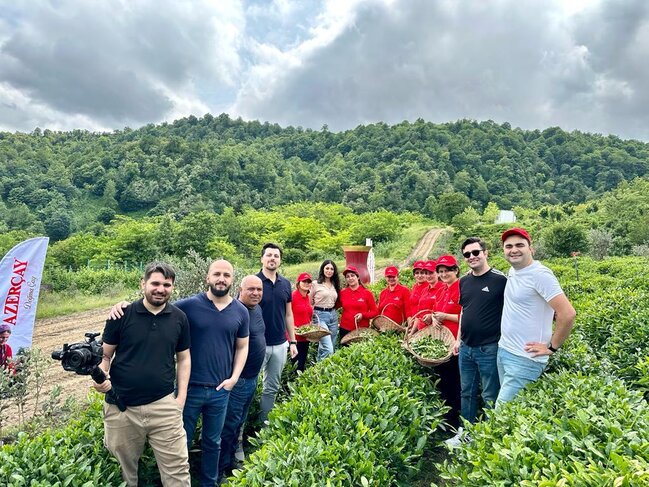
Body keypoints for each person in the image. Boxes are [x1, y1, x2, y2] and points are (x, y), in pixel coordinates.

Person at [107, 260, 250, 487]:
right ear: (208, 277)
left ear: (233, 279)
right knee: (181, 444)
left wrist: (233, 379)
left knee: (212, 442)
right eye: (216, 274)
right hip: (190, 389)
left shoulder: (239, 310)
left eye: (226, 275)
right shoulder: (188, 306)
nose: (221, 279)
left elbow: (242, 346)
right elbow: (155, 307)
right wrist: (123, 305)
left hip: (219, 390)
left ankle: (209, 483)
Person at [94, 262, 192, 487]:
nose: (160, 289)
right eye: (155, 283)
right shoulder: (121, 315)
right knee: (124, 473)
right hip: (121, 408)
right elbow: (106, 355)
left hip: (164, 407)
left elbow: (184, 358)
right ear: (143, 284)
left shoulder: (179, 318)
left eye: (166, 285)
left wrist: (180, 398)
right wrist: (101, 376)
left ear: (172, 287)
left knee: (178, 471)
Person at [496, 228, 576, 405]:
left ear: (531, 249)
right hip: (505, 351)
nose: (513, 250)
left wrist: (552, 347)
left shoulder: (540, 274)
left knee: (501, 412)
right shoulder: (513, 271)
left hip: (525, 359)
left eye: (519, 245)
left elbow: (568, 313)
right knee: (510, 413)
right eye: (509, 246)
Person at [446, 238, 507, 447]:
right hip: (466, 347)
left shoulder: (500, 280)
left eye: (475, 252)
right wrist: (458, 339)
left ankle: (490, 436)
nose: (472, 257)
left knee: (490, 393)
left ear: (485, 253)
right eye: (467, 254)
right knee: (467, 391)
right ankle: (465, 432)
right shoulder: (464, 281)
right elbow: (464, 311)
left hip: (489, 347)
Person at [219, 275, 266, 481]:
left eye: (259, 289)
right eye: (251, 289)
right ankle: (221, 470)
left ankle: (230, 460)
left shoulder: (257, 309)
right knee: (229, 426)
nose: (256, 293)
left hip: (252, 378)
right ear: (240, 289)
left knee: (238, 423)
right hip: (238, 381)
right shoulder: (234, 312)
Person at [257, 243, 298, 424]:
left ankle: (263, 427)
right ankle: (239, 431)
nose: (272, 258)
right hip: (257, 344)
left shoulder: (285, 284)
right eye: (269, 255)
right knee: (247, 387)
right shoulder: (254, 282)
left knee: (271, 388)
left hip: (280, 344)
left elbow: (288, 314)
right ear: (262, 258)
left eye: (276, 256)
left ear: (280, 260)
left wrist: (293, 341)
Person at [431, 255, 463, 430]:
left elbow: (466, 316)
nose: (443, 274)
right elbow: (436, 310)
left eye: (447, 270)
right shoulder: (442, 289)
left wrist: (445, 316)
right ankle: (446, 417)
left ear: (456, 270)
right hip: (442, 342)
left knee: (454, 382)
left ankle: (455, 420)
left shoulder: (461, 288)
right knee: (443, 381)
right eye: (441, 271)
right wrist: (435, 318)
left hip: (455, 343)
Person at [337, 265, 378, 343]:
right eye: (347, 276)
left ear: (358, 277)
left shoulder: (367, 293)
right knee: (345, 350)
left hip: (361, 330)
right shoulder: (343, 293)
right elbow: (335, 306)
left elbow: (375, 312)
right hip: (345, 329)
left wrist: (363, 315)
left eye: (352, 275)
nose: (350, 278)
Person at [310, 260, 341, 359]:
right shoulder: (315, 284)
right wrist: (310, 318)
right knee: (328, 348)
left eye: (332, 269)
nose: (329, 271)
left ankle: (319, 365)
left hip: (333, 315)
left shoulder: (334, 284)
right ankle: (322, 366)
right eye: (327, 268)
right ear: (322, 269)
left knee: (331, 344)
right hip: (320, 316)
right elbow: (309, 301)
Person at [291, 272, 314, 371]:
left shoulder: (307, 297)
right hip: (295, 337)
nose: (306, 283)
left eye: (309, 281)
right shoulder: (293, 296)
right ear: (298, 283)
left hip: (305, 335)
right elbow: (285, 314)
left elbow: (307, 314)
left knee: (302, 363)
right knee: (295, 364)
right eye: (304, 281)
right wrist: (291, 327)